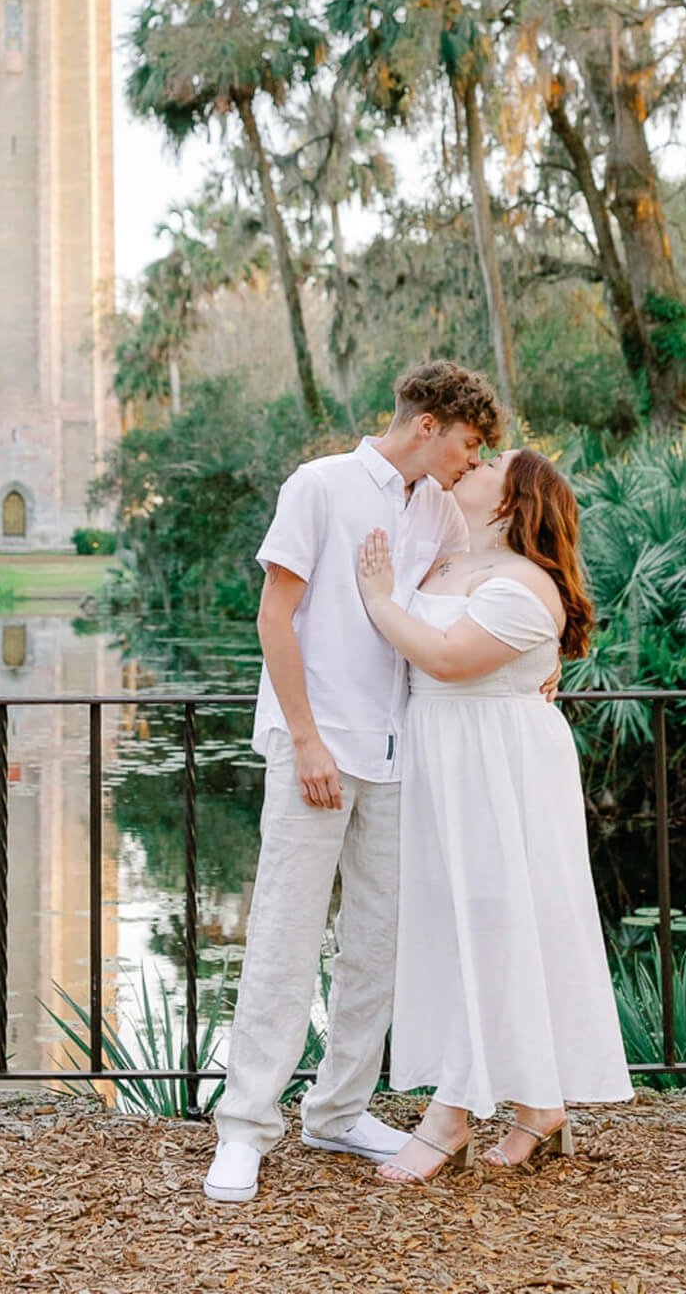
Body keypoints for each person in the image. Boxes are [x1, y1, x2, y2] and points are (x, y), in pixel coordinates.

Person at [203, 360, 504, 1206]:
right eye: (468, 444)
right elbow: (276, 615)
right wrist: (304, 739)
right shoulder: (321, 486)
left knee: (376, 945)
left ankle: (337, 1110)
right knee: (285, 937)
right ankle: (245, 1129)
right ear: (427, 427)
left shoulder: (439, 508)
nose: (472, 463)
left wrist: (534, 662)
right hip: (319, 747)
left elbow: (464, 599)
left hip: (398, 751)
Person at [354, 447, 633, 1183]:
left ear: (512, 502)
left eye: (487, 464)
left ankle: (450, 1116)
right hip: (440, 760)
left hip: (496, 770)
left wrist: (382, 603)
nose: (467, 465)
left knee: (491, 924)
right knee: (454, 930)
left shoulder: (523, 583)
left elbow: (448, 658)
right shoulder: (446, 562)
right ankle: (540, 1109)